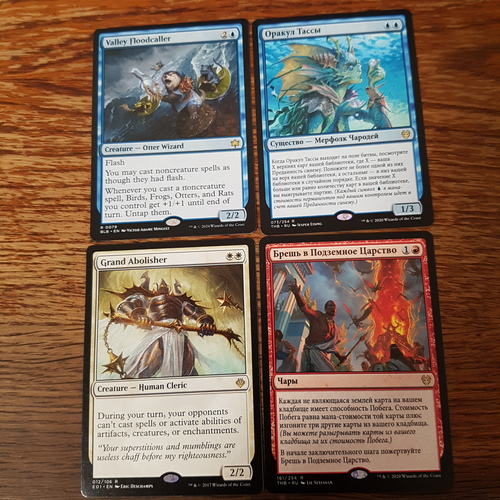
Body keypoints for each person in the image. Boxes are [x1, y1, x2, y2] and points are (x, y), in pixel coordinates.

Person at [288, 279, 345, 372]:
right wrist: (297, 295)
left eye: (334, 306)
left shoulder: (335, 328)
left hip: (323, 355)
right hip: (312, 352)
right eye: (330, 305)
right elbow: (305, 309)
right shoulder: (318, 316)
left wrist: (339, 357)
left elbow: (332, 346)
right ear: (325, 309)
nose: (332, 307)